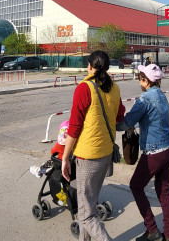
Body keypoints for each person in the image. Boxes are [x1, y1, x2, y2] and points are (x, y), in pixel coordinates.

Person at [62, 50, 125, 241]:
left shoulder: (84, 88)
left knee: (86, 215)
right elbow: (119, 116)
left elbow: (74, 127)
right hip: (106, 154)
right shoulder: (114, 87)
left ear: (89, 66)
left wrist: (65, 157)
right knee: (89, 204)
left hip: (87, 157)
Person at [117, 64, 169, 241]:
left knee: (136, 186)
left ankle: (152, 230)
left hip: (154, 151)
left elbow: (127, 122)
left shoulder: (145, 99)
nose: (139, 82)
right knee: (163, 192)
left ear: (146, 80)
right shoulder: (162, 96)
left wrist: (110, 125)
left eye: (140, 79)